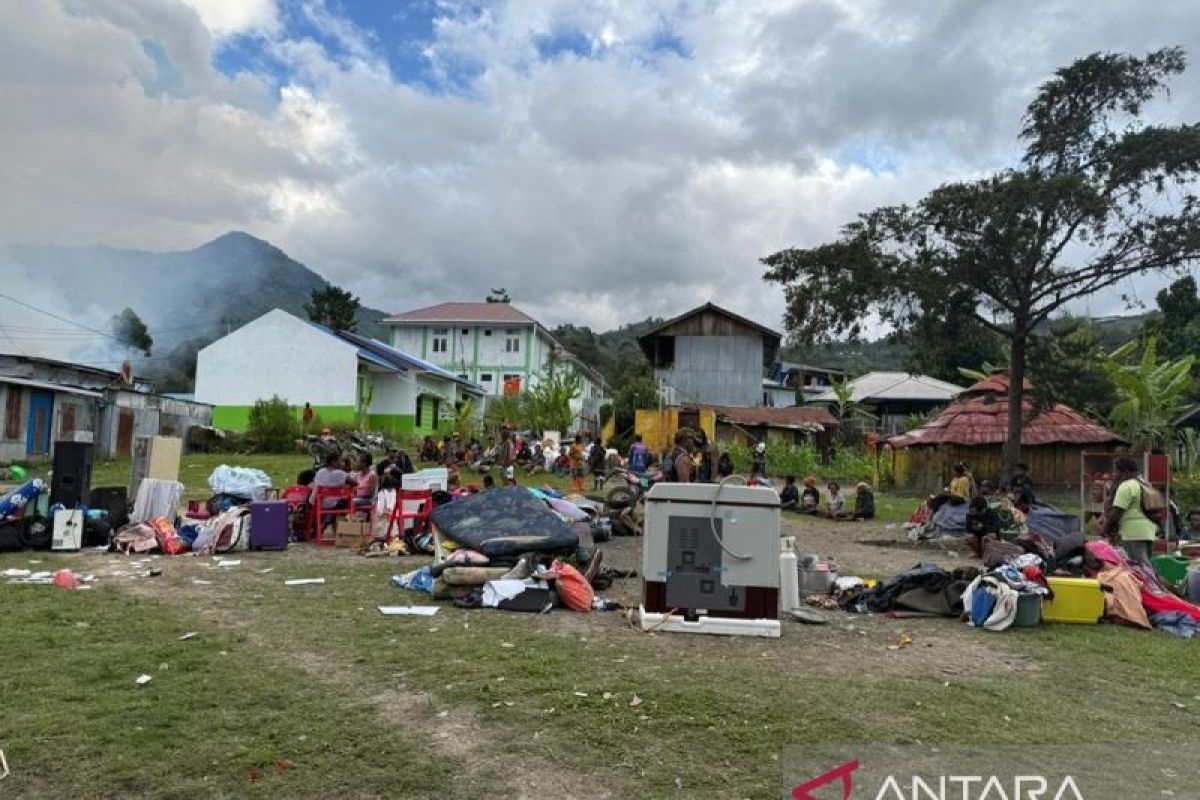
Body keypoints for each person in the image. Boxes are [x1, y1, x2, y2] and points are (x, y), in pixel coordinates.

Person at [1101, 457, 1160, 565]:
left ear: (1125, 472)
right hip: (1149, 531)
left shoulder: (1126, 486)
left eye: (1116, 471)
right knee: (1144, 565)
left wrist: (1105, 529)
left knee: (1138, 568)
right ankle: (1152, 581)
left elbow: (1116, 512)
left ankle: (1153, 582)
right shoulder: (1144, 483)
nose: (1115, 474)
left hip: (1132, 534)